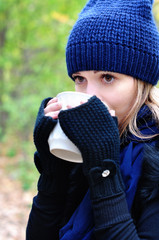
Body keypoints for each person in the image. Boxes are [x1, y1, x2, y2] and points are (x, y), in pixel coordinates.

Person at [26, 0, 159, 239]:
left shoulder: (155, 156)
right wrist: (52, 173)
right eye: (79, 79)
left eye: (107, 77)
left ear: (142, 81)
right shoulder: (80, 147)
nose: (89, 96)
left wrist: (104, 172)